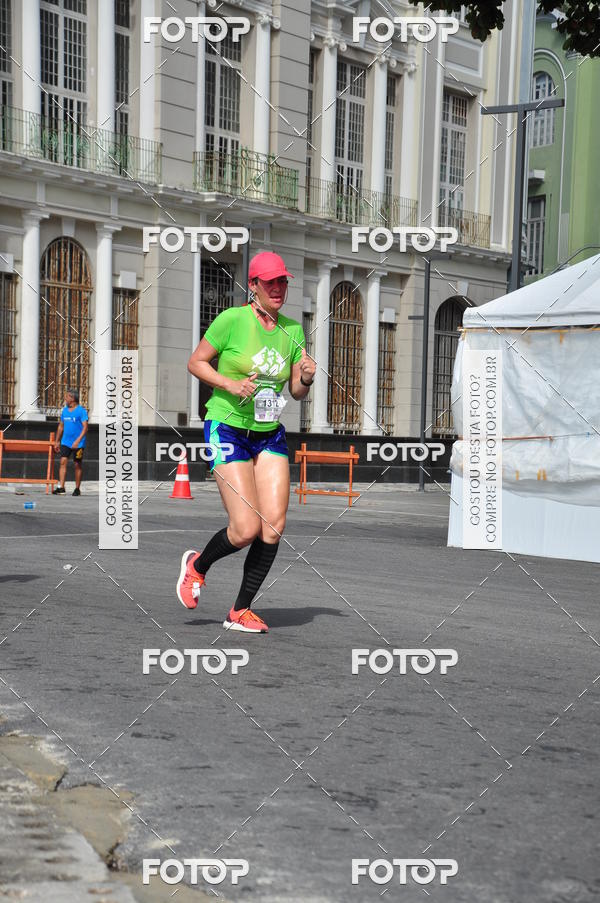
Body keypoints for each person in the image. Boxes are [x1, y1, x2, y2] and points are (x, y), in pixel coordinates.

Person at [177, 251, 316, 633]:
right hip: (227, 427)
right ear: (253, 285)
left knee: (272, 526)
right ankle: (197, 566)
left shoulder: (293, 330)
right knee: (244, 529)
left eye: (282, 281)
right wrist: (230, 384)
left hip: (268, 432)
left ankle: (240, 610)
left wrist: (305, 377)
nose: (278, 288)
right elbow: (196, 362)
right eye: (270, 282)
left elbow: (296, 392)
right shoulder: (231, 320)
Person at [53, 388, 88, 496]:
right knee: (63, 461)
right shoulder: (64, 411)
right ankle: (61, 487)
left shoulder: (81, 411)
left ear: (72, 398)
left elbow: (85, 428)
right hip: (65, 442)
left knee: (77, 464)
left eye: (67, 396)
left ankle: (77, 488)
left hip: (78, 443)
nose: (65, 398)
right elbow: (61, 426)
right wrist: (57, 441)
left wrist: (78, 441)